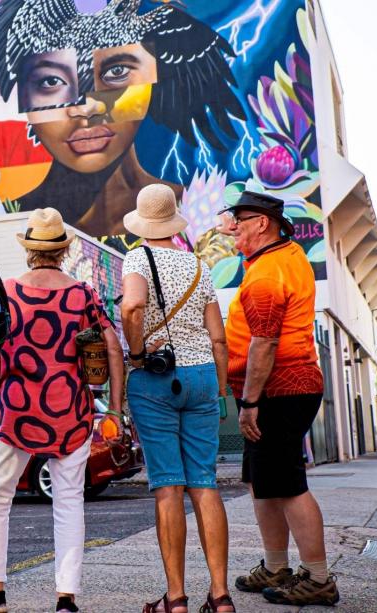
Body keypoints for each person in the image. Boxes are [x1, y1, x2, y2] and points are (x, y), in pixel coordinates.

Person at [0, 209, 124, 613]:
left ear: (29, 251)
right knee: (68, 502)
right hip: (71, 410)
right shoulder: (83, 293)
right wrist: (115, 408)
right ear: (63, 250)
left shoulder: (8, 291)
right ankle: (66, 598)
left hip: (17, 410)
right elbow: (112, 347)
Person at [0, 0, 243, 236]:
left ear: (155, 83)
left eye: (116, 72)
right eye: (51, 80)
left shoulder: (198, 213)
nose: (86, 108)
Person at [118, 185, 234, 613]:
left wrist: (136, 353)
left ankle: (177, 597)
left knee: (168, 486)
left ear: (143, 223)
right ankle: (221, 596)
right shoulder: (199, 266)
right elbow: (218, 337)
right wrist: (219, 387)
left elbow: (132, 307)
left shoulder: (136, 258)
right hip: (203, 374)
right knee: (203, 483)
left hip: (155, 378)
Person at [222, 191, 339, 606]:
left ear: (262, 224)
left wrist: (250, 401)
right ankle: (276, 567)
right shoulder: (284, 256)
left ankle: (319, 578)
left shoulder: (268, 273)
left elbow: (265, 343)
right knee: (262, 482)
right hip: (281, 386)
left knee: (288, 484)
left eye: (239, 219)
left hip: (278, 389)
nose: (232, 227)